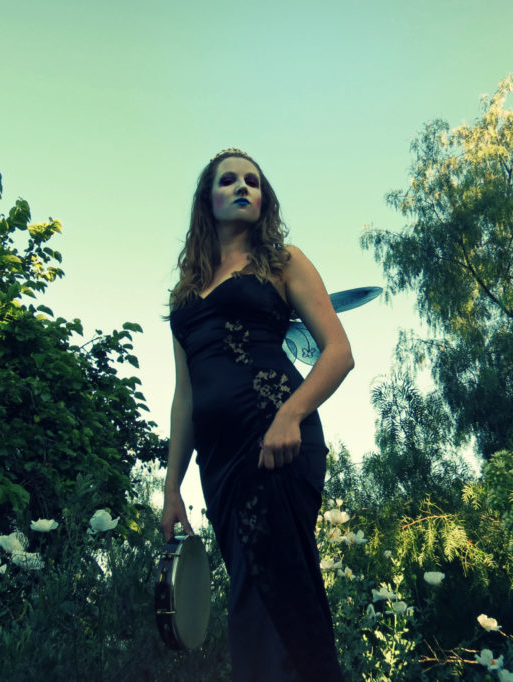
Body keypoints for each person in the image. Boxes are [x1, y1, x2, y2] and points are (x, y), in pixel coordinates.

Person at [161, 148, 353, 681]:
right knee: (250, 588)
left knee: (276, 590)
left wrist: (290, 415)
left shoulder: (283, 262)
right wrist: (171, 486)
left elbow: (339, 352)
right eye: (228, 180)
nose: (243, 186)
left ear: (264, 199)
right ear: (208, 199)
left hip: (279, 443)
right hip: (219, 463)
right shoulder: (183, 296)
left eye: (253, 180)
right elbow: (185, 398)